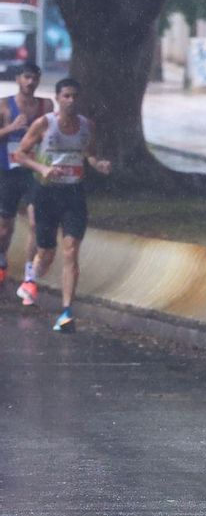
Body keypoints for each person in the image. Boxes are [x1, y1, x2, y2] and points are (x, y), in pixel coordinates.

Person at [13, 78, 112, 332]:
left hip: (73, 194)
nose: (71, 100)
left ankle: (67, 313)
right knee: (46, 254)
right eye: (66, 96)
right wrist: (42, 168)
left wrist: (98, 164)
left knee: (71, 251)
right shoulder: (44, 124)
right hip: (46, 193)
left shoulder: (87, 126)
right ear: (57, 98)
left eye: (75, 96)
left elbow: (90, 153)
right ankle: (31, 279)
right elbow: (19, 154)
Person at [0, 62, 52, 288]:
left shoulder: (46, 105)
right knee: (5, 227)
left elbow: (52, 133)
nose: (31, 82)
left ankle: (29, 275)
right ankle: (2, 260)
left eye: (34, 78)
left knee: (34, 222)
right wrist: (11, 129)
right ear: (18, 79)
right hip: (8, 171)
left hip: (34, 171)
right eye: (26, 77)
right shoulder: (4, 105)